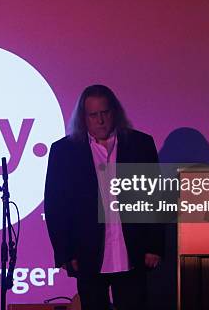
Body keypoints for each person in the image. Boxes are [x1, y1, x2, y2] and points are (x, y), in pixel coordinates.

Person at [44, 84, 165, 310]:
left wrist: (154, 246)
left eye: (105, 113)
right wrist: (66, 252)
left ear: (115, 112)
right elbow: (55, 206)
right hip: (87, 255)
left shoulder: (140, 145)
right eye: (93, 115)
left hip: (133, 253)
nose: (100, 120)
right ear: (83, 118)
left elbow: (154, 198)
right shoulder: (64, 151)